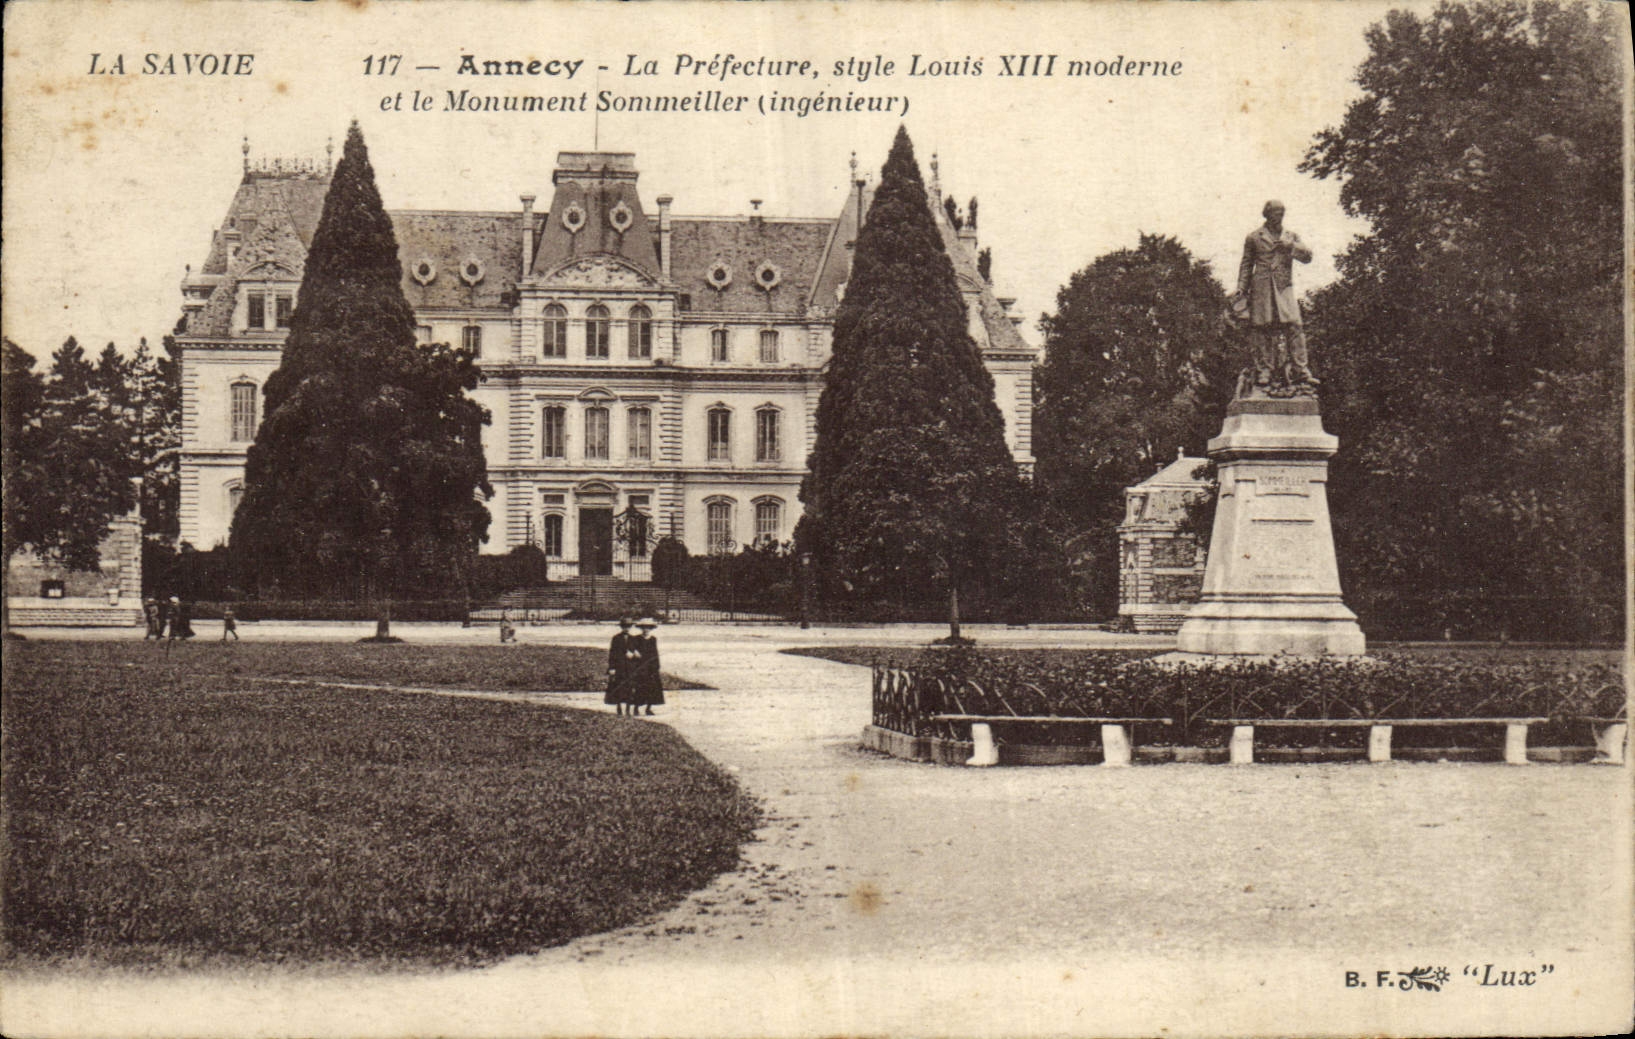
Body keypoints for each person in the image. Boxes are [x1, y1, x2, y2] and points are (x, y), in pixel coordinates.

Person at [1235, 199, 1317, 389]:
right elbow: (1247, 264)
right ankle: (1264, 370)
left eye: (1281, 212)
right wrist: (1241, 287)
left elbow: (1308, 256)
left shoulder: (1291, 236)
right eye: (1275, 212)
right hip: (1262, 288)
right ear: (1267, 214)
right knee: (1262, 328)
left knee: (1295, 325)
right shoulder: (1254, 237)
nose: (1278, 216)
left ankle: (1301, 370)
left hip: (1283, 287)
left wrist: (1291, 248)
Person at [629, 617, 665, 716]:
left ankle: (648, 708)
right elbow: (630, 649)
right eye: (644, 628)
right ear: (641, 628)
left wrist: (656, 665)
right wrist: (635, 652)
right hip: (640, 666)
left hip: (651, 667)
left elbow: (655, 653)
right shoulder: (637, 638)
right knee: (639, 687)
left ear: (651, 629)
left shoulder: (653, 639)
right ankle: (636, 708)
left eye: (648, 628)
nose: (646, 630)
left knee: (652, 688)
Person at [605, 616, 637, 715]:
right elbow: (612, 654)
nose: (626, 628)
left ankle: (627, 709)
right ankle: (619, 707)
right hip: (619, 667)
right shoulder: (616, 638)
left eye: (628, 626)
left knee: (629, 687)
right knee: (619, 687)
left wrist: (633, 655)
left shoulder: (633, 638)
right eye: (624, 626)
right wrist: (612, 667)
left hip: (630, 667)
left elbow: (636, 652)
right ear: (621, 627)